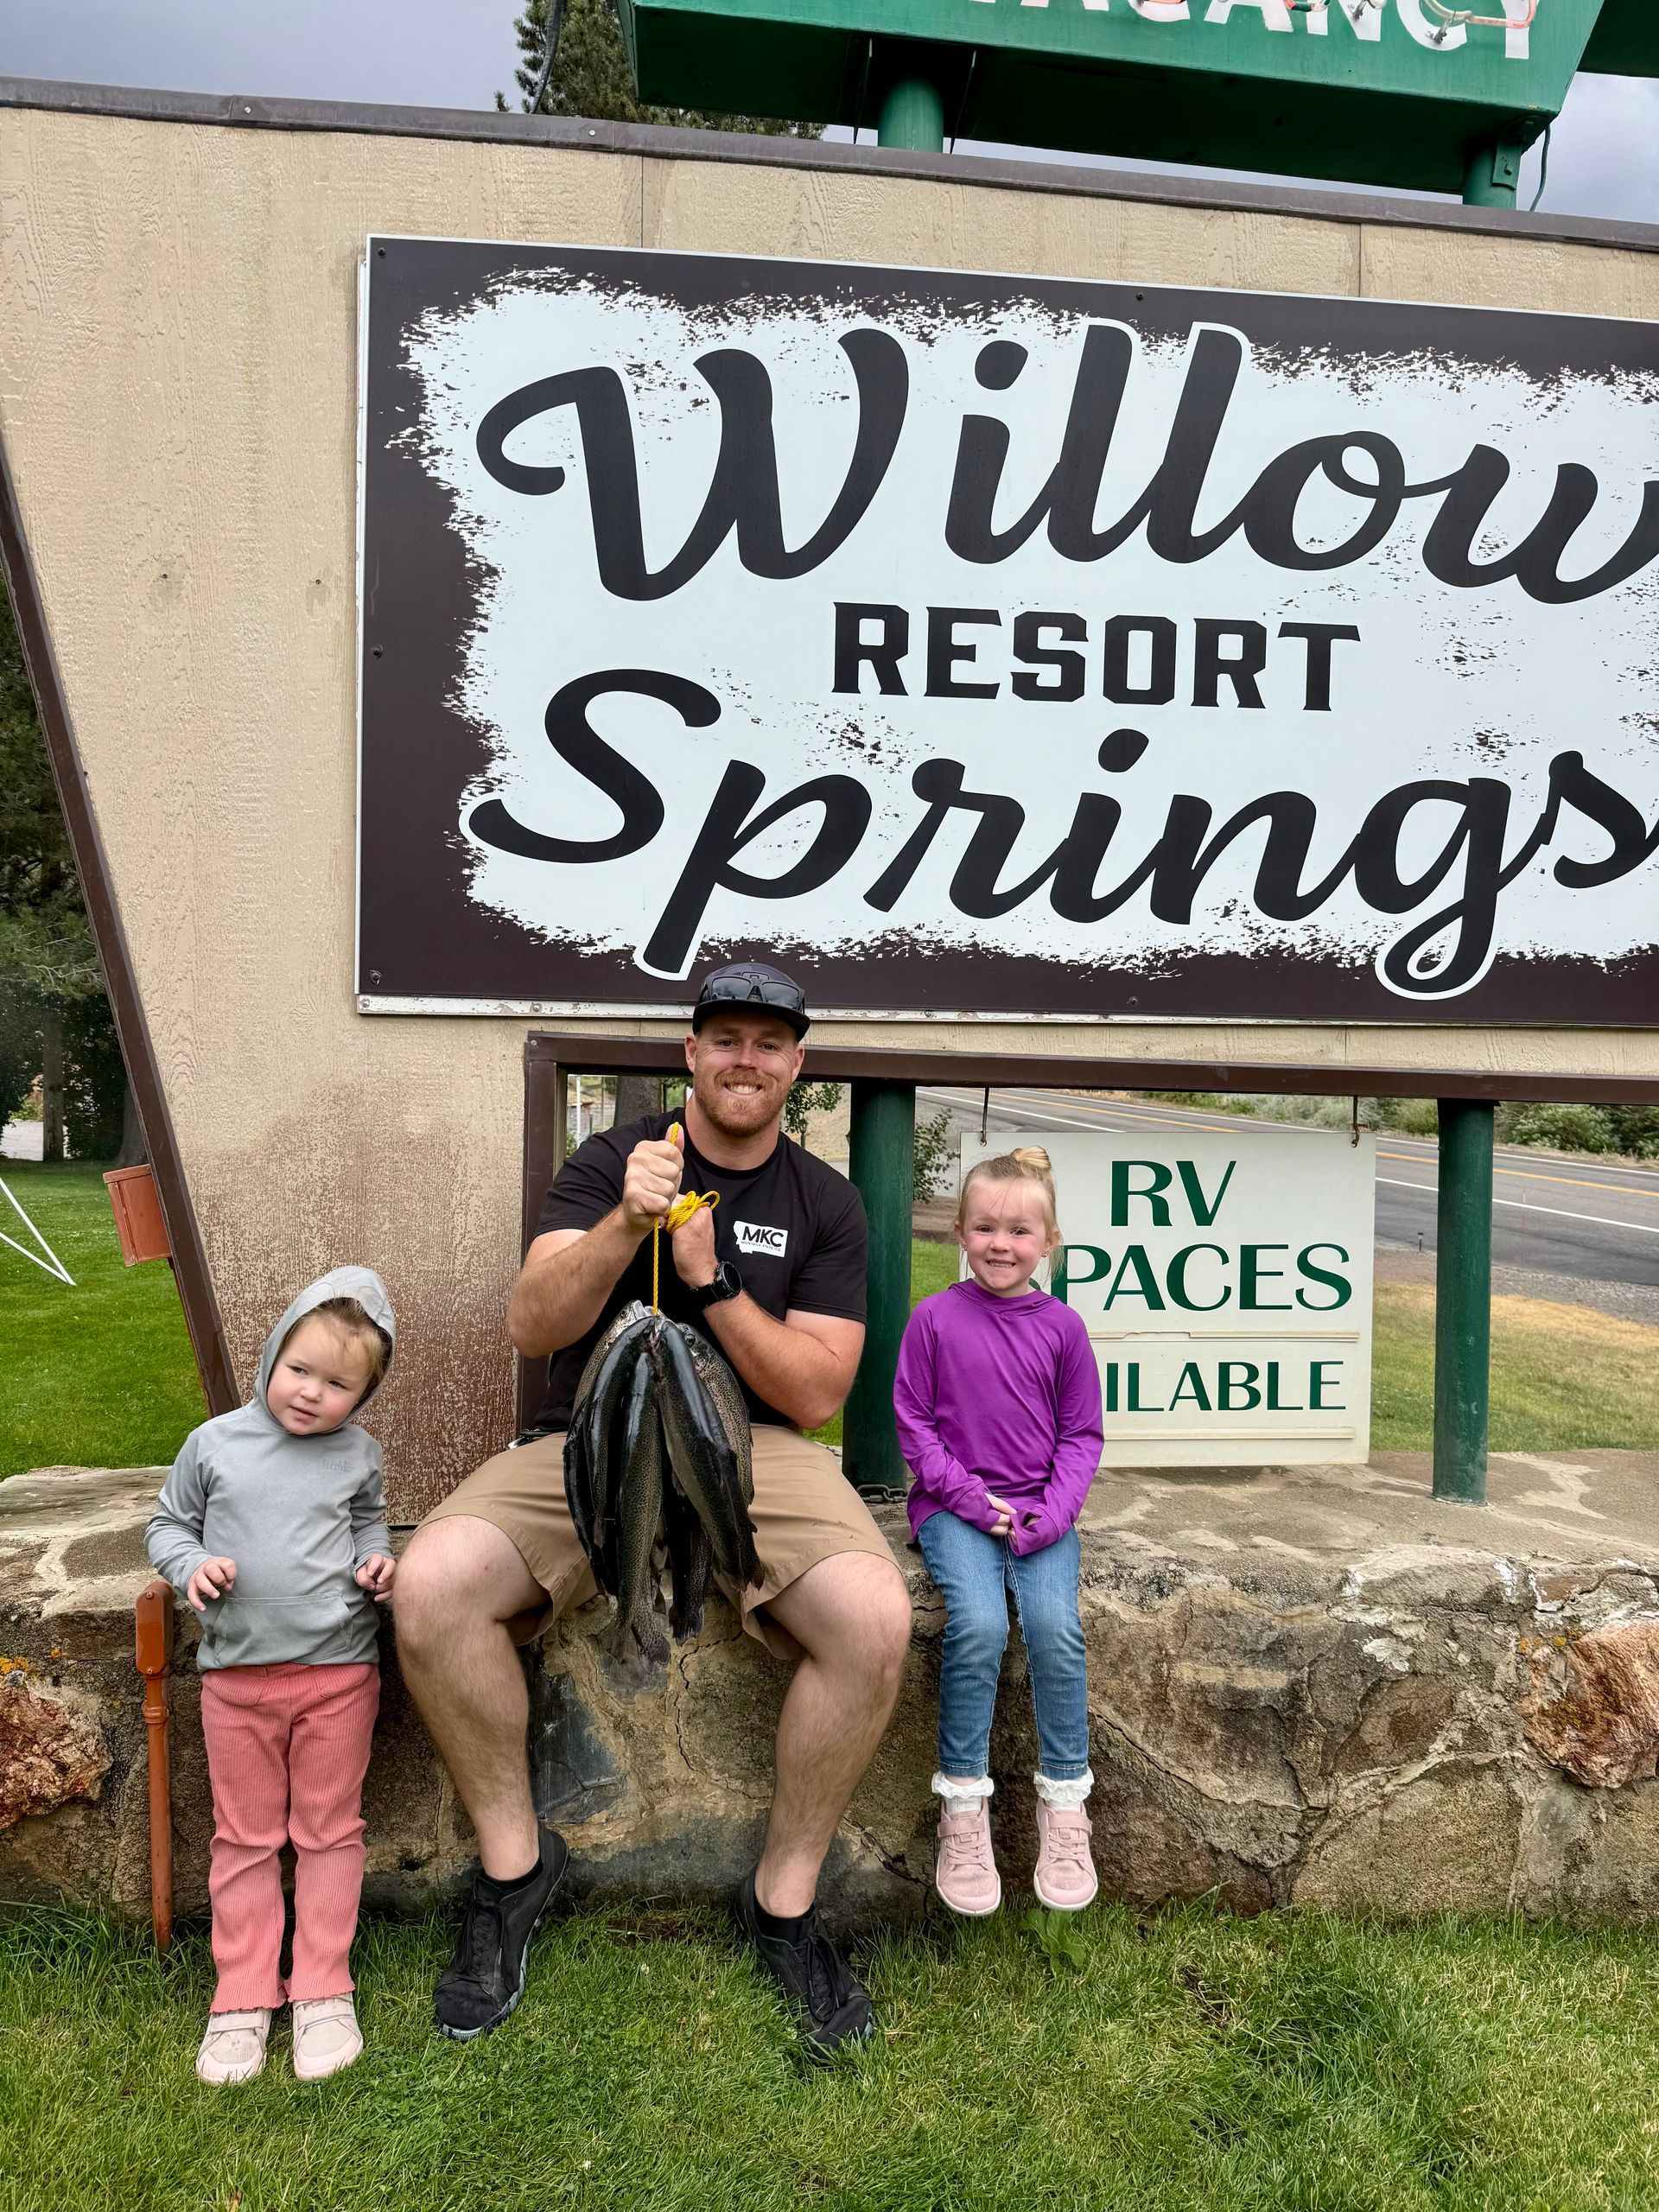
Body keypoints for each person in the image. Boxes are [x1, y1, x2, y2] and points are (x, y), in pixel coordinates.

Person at [394, 961, 912, 2063]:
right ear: (691, 1054)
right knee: (432, 1589)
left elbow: (817, 1393)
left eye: (767, 1043)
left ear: (796, 1066)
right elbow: (532, 1326)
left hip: (756, 1448)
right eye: (725, 1038)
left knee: (875, 1619)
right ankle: (514, 1873)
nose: (745, 1060)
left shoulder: (825, 1202)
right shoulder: (610, 1163)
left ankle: (782, 1904)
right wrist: (625, 1226)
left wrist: (711, 1281)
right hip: (589, 1440)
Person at [145, 1268, 397, 2085]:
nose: (311, 1393)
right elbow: (167, 1525)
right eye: (299, 1369)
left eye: (338, 1385)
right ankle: (243, 1993)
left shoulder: (359, 1455)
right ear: (271, 1355)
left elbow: (368, 1524)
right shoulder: (214, 1444)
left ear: (363, 1395)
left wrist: (376, 1561)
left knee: (330, 1832)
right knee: (246, 1839)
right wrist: (191, 1566)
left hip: (339, 1676)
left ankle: (323, 1985)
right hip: (237, 1682)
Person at [893, 1147, 1103, 1916]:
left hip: (1042, 1513)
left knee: (1054, 1628)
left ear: (1049, 1241)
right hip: (955, 1509)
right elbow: (914, 1425)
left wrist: (1055, 1512)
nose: (1001, 1244)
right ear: (959, 1231)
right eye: (985, 1227)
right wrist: (970, 1500)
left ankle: (1066, 1803)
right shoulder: (934, 1319)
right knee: (979, 1625)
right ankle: (962, 1804)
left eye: (1020, 1231)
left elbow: (1081, 1436)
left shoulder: (1064, 1329)